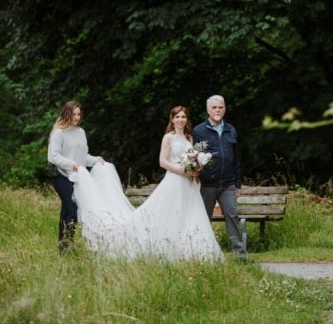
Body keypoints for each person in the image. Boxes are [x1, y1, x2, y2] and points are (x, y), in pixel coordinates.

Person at [72, 106, 223, 260]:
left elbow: (192, 158)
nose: (180, 120)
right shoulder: (168, 137)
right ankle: (164, 246)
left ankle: (195, 250)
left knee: (190, 213)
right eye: (177, 117)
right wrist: (183, 171)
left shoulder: (189, 138)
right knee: (171, 213)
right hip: (174, 181)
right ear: (172, 119)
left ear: (187, 119)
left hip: (189, 185)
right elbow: (163, 162)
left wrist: (196, 168)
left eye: (183, 117)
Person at [193, 95, 246, 260]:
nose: (217, 110)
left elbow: (236, 158)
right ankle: (203, 254)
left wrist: (238, 184)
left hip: (229, 184)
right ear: (208, 110)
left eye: (220, 107)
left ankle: (240, 255)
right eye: (214, 107)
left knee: (233, 217)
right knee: (204, 219)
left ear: (225, 109)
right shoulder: (198, 131)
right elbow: (193, 158)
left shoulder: (231, 129)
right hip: (207, 184)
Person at [47, 101, 105, 252]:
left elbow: (83, 157)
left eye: (79, 114)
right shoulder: (59, 133)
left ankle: (64, 246)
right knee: (73, 208)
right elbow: (54, 156)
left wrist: (97, 160)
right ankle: (67, 245)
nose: (77, 117)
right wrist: (72, 164)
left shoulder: (81, 132)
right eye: (73, 114)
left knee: (67, 210)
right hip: (60, 175)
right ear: (66, 114)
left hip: (76, 176)